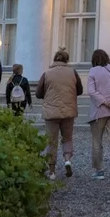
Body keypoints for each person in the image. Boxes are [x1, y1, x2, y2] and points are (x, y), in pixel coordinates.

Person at [36, 49, 83, 180]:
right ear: (66, 60)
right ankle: (67, 160)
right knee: (67, 138)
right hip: (68, 110)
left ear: (54, 60)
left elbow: (39, 93)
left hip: (51, 112)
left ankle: (52, 171)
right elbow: (79, 90)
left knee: (52, 141)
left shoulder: (47, 73)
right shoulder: (73, 72)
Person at [88, 49, 110, 182]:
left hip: (99, 111)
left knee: (97, 141)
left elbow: (91, 92)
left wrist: (105, 102)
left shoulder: (93, 71)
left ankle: (99, 170)